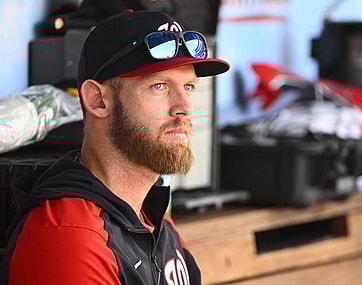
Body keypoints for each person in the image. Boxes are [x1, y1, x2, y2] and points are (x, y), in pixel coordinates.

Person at [0, 9, 230, 284]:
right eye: (159, 86)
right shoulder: (69, 235)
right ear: (97, 100)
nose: (184, 107)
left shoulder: (152, 216)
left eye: (189, 87)